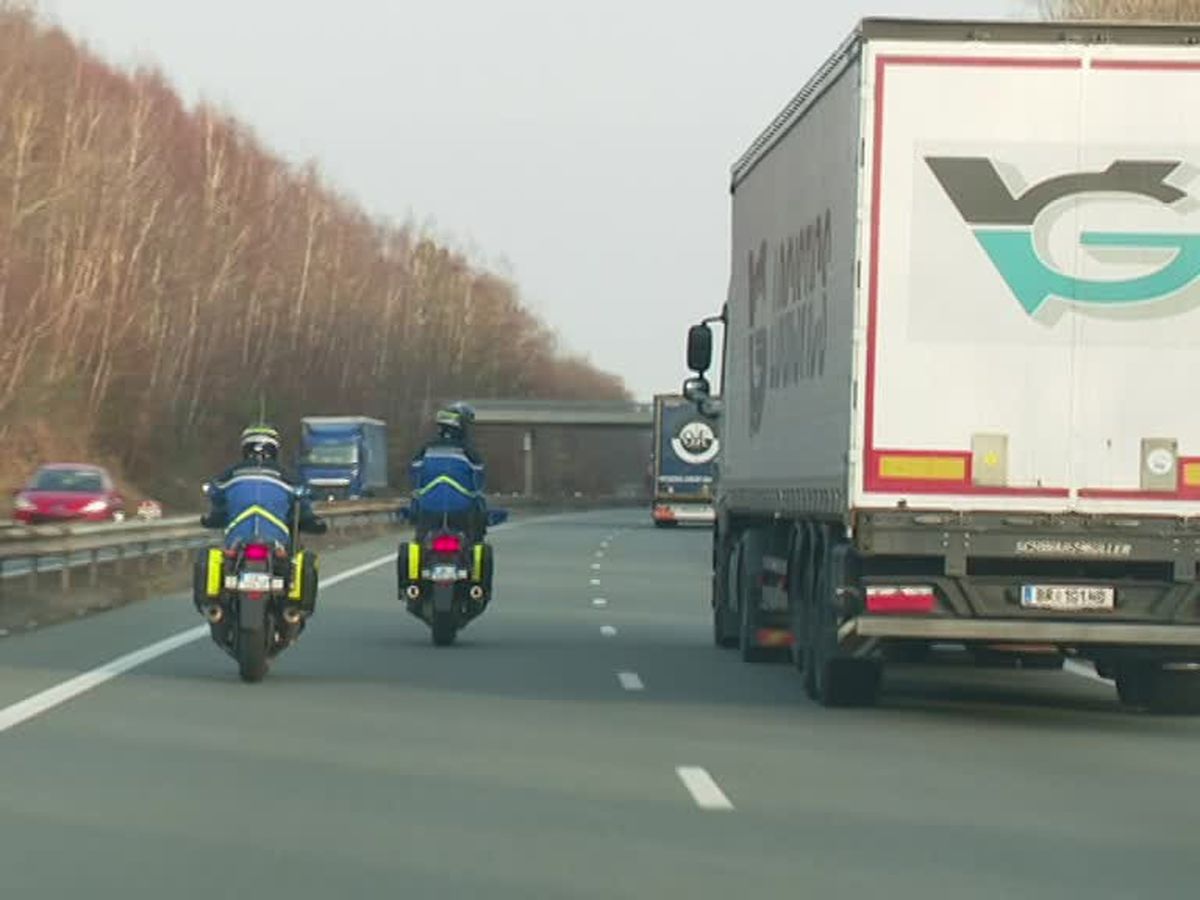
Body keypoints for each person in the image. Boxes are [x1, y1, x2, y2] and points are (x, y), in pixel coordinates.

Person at [201, 423, 327, 543]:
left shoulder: (231, 474)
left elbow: (216, 496)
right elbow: (303, 499)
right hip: (276, 540)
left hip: (237, 540)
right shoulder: (286, 475)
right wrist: (311, 520)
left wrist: (212, 518)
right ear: (274, 449)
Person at [409, 404, 488, 543]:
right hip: (462, 512)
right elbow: (478, 483)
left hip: (428, 509)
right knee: (477, 527)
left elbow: (415, 477)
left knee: (419, 537)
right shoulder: (469, 452)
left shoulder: (425, 449)